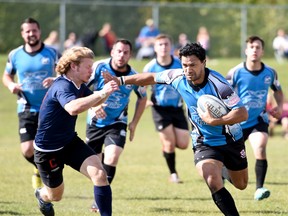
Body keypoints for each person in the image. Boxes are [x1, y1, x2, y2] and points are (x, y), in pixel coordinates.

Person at [104, 42, 249, 216]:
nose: (188, 70)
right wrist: (120, 80)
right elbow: (151, 77)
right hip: (204, 140)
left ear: (204, 62)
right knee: (211, 179)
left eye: (193, 65)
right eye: (185, 65)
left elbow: (242, 113)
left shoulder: (219, 85)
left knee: (241, 185)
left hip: (231, 139)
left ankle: (224, 168)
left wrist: (216, 121)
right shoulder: (177, 76)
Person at [33, 46, 118, 216]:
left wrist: (106, 90)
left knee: (100, 174)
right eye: (88, 67)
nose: (91, 71)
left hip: (69, 142)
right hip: (48, 151)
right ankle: (42, 196)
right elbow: (72, 108)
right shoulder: (63, 86)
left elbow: (93, 101)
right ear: (74, 66)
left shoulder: (79, 85)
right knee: (55, 196)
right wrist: (102, 93)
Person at [86, 39, 147, 212]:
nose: (121, 55)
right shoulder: (99, 67)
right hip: (94, 122)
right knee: (95, 167)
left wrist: (134, 122)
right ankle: (99, 194)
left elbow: (143, 98)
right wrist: (94, 104)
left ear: (130, 54)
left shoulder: (132, 76)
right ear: (112, 52)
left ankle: (99, 202)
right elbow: (83, 87)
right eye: (118, 51)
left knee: (112, 158)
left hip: (117, 122)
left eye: (126, 52)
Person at [2, 17, 58, 190]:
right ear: (22, 34)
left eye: (34, 30)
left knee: (48, 147)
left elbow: (65, 73)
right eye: (27, 31)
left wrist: (56, 80)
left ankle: (47, 175)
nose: (31, 34)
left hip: (49, 107)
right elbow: (6, 75)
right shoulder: (15, 54)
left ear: (39, 32)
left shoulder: (52, 53)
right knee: (27, 150)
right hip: (26, 107)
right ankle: (39, 168)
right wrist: (11, 85)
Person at [226, 35, 284, 201]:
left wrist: (279, 107)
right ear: (246, 50)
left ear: (262, 51)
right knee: (230, 158)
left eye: (258, 47)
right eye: (251, 47)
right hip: (236, 122)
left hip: (258, 120)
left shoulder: (270, 72)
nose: (254, 50)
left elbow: (278, 91)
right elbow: (221, 93)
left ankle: (259, 188)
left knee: (260, 147)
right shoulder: (235, 72)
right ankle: (223, 173)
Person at [143, 34, 190, 183]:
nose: (163, 47)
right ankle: (173, 174)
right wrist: (144, 100)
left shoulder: (179, 63)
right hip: (159, 109)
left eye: (166, 44)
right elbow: (142, 86)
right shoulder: (150, 66)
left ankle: (166, 146)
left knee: (183, 144)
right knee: (170, 143)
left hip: (177, 108)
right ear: (155, 48)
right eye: (160, 45)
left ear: (171, 47)